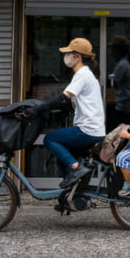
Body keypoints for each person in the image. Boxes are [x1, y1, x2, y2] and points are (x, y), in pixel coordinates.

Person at [42, 38, 106, 189]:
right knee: (62, 157)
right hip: (93, 129)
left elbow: (64, 97)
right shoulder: (87, 74)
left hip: (87, 130)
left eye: (69, 53)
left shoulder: (82, 74)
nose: (67, 57)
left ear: (77, 56)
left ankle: (76, 168)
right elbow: (69, 102)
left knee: (49, 139)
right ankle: (70, 193)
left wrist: (39, 109)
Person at [108, 36, 130, 129]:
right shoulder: (125, 62)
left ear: (118, 50)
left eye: (112, 49)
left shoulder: (123, 64)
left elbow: (112, 81)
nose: (111, 52)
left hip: (126, 107)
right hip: (128, 105)